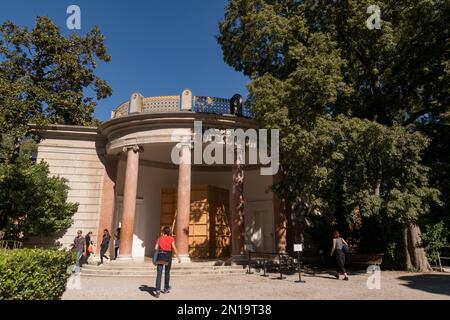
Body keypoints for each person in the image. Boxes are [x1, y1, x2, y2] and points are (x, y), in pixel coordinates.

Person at [154, 226, 181, 298]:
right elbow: (174, 248)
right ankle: (166, 288)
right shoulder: (171, 238)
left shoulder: (160, 238)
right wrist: (178, 257)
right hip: (168, 256)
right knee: (167, 272)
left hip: (160, 256)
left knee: (159, 274)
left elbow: (156, 247)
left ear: (163, 231)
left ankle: (157, 291)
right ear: (169, 232)